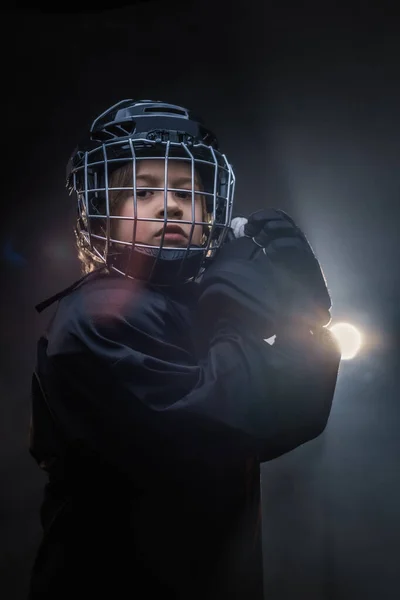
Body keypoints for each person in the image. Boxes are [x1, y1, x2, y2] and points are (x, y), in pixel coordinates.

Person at [27, 99, 341, 600]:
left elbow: (286, 419)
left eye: (189, 192)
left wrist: (300, 315)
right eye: (143, 190)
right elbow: (217, 424)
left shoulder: (190, 307)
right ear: (102, 217)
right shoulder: (99, 315)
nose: (171, 204)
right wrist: (243, 309)